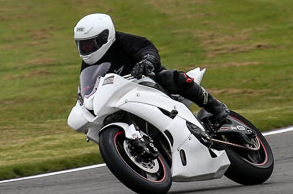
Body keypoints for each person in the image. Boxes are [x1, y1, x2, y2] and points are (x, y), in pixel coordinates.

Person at [74, 12, 230, 124]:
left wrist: (147, 62)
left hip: (150, 82)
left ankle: (215, 106)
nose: (86, 50)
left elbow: (148, 49)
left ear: (104, 37)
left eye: (90, 44)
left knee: (171, 77)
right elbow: (88, 87)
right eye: (82, 45)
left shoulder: (123, 41)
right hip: (123, 99)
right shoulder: (88, 63)